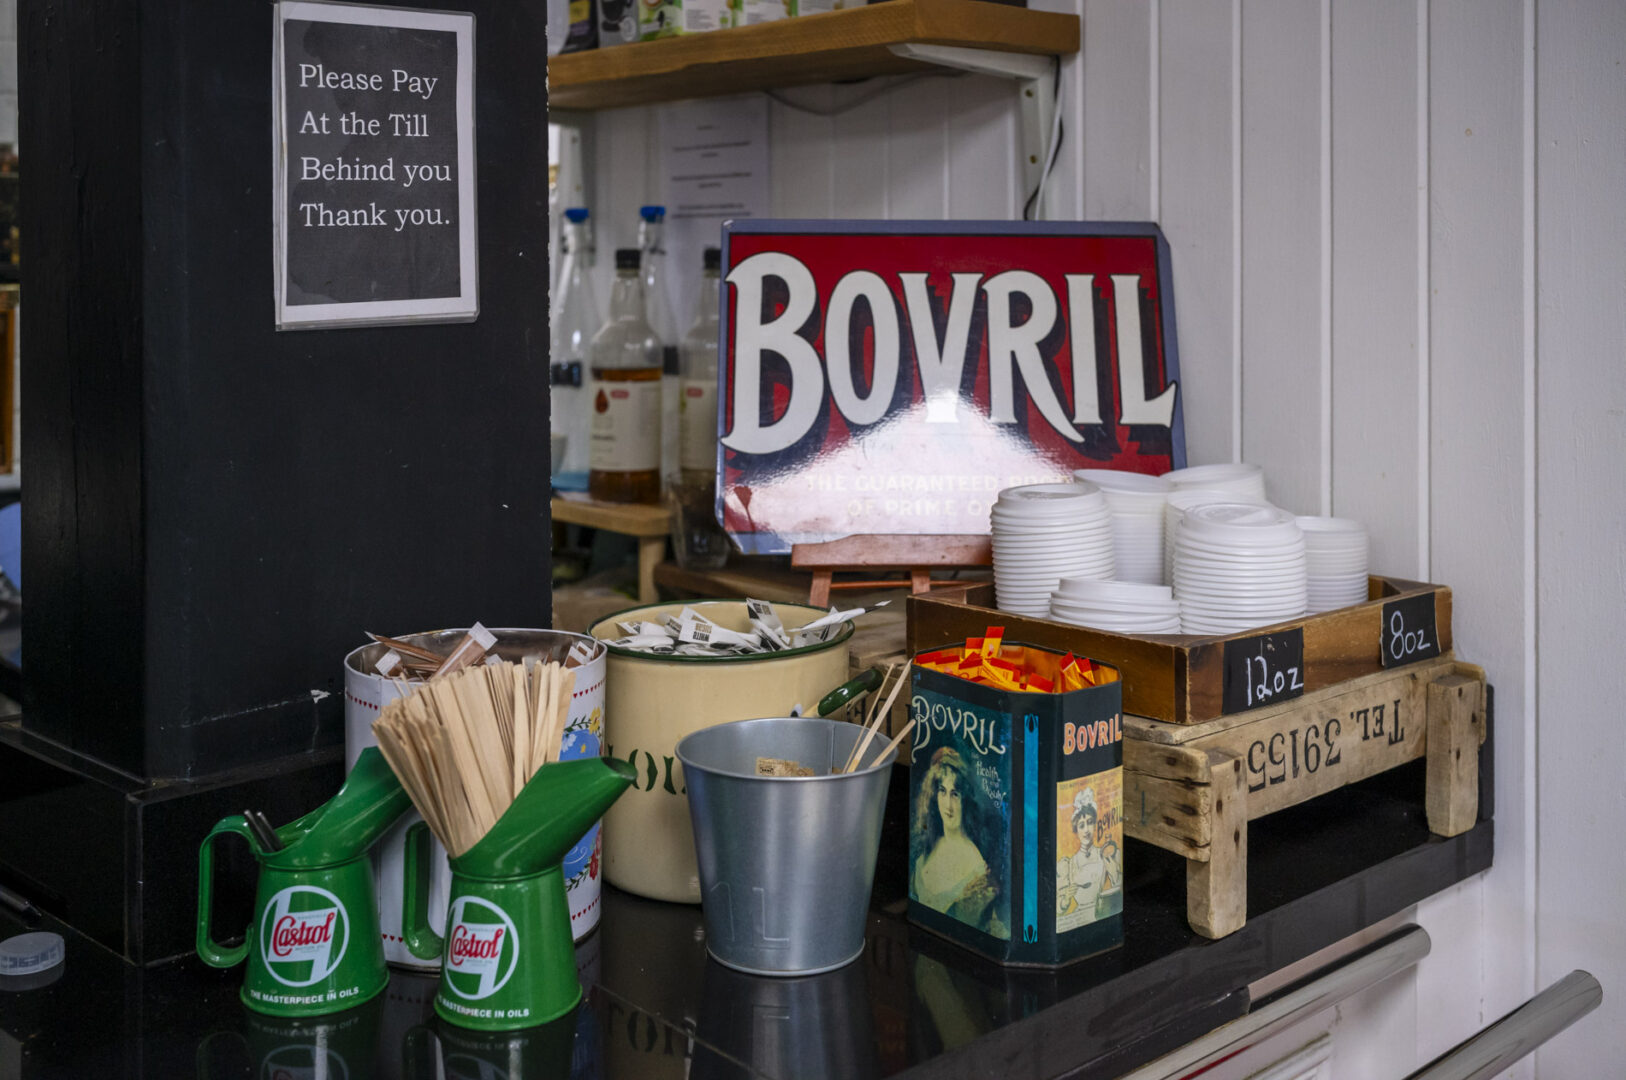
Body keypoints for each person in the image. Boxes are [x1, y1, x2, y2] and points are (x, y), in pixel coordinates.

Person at [911, 747, 1007, 939]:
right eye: (942, 791)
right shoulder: (928, 847)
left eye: (955, 794)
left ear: (965, 799)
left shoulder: (976, 867)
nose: (948, 805)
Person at [1057, 787, 1122, 925]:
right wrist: (1066, 898)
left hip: (1102, 912)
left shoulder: (1105, 853)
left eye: (1090, 822)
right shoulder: (1068, 864)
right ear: (1076, 830)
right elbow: (1059, 908)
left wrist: (1114, 873)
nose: (1086, 830)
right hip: (1077, 919)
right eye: (1081, 825)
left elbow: (1117, 888)